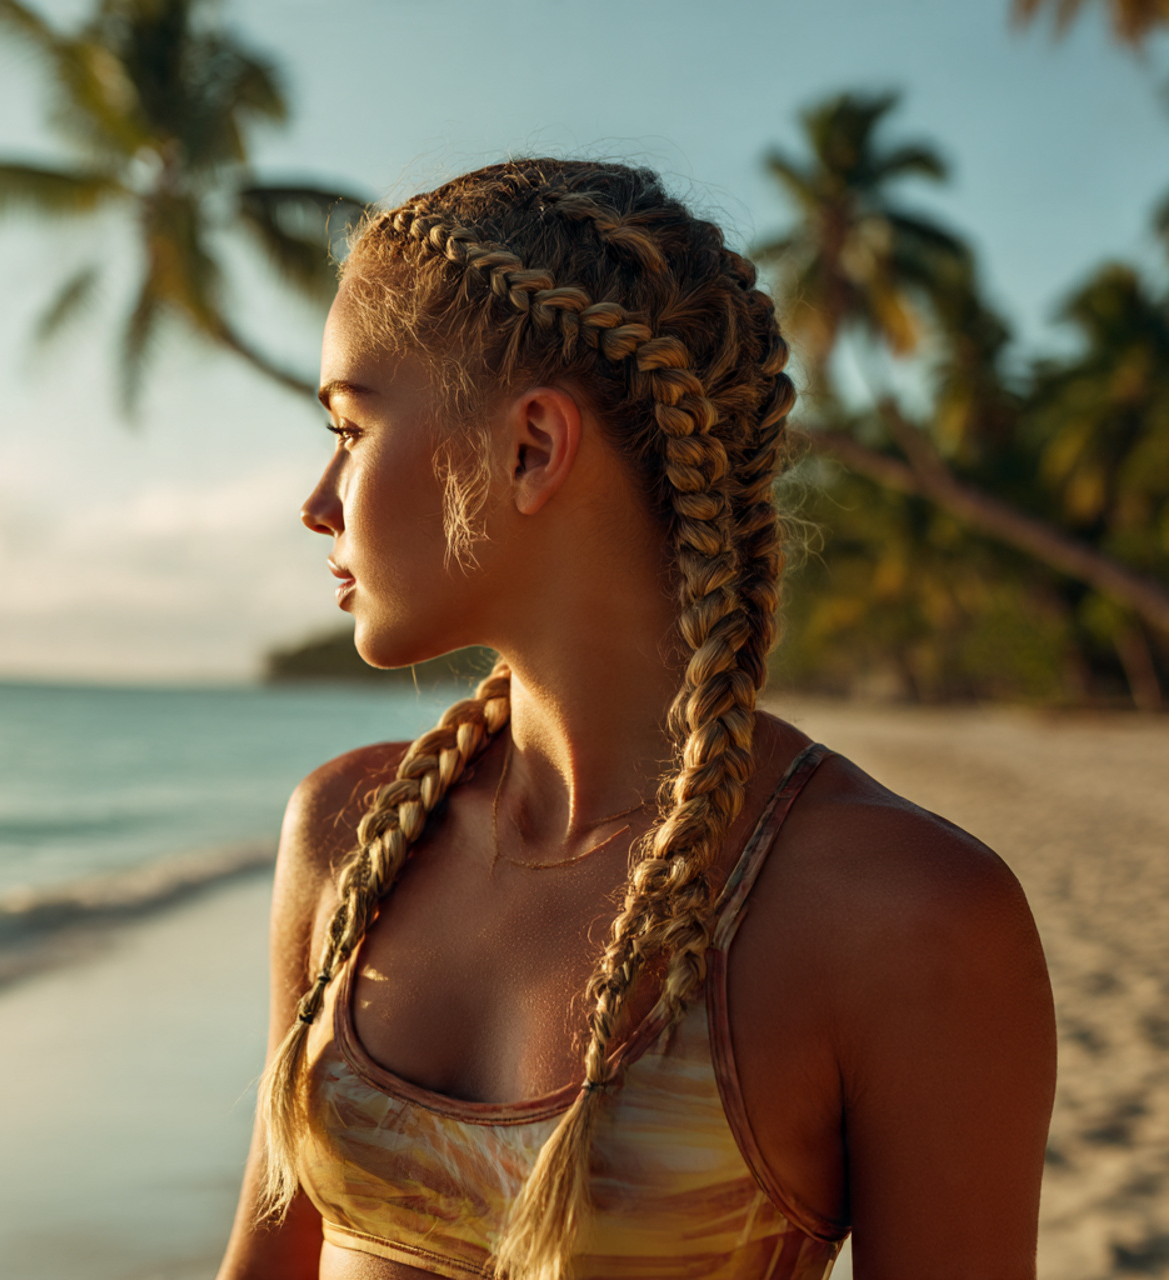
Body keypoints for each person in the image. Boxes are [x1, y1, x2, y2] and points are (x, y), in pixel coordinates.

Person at [215, 159, 1056, 1280]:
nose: (318, 501)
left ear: (531, 447)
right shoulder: (347, 835)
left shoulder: (902, 916)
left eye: (351, 427)